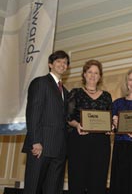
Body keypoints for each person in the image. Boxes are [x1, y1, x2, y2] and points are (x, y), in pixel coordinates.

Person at [22, 50, 70, 194]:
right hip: (41, 147)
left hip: (59, 150)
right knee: (33, 188)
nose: (62, 64)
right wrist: (35, 141)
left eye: (65, 62)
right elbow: (33, 113)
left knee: (53, 190)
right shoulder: (40, 82)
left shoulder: (65, 92)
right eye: (59, 61)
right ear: (50, 64)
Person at [67, 60, 112, 194]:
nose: (93, 75)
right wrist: (77, 125)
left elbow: (110, 118)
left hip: (101, 144)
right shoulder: (75, 92)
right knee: (77, 179)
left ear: (100, 76)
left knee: (98, 180)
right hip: (79, 141)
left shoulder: (107, 96)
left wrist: (111, 126)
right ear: (84, 74)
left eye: (96, 73)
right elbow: (68, 117)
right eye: (90, 72)